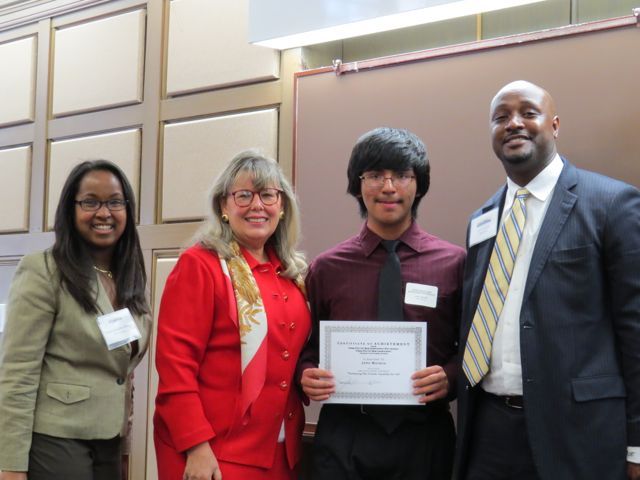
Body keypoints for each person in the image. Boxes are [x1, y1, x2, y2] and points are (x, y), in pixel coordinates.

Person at [456, 80, 640, 480]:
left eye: (528, 113)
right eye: (501, 117)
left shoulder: (612, 203)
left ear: (554, 125)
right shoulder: (482, 220)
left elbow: (635, 329)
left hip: (578, 433)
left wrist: (637, 444)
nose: (513, 124)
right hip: (487, 431)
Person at [298, 127, 465, 480]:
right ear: (358, 185)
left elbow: (474, 350)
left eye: (402, 175)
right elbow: (305, 345)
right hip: (345, 434)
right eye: (375, 175)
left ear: (418, 184)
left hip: (425, 434)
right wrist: (305, 374)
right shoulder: (326, 268)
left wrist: (450, 377)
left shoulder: (455, 263)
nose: (388, 187)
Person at [153, 151, 311, 480]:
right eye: (243, 195)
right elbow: (176, 367)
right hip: (217, 454)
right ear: (223, 207)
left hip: (282, 454)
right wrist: (196, 446)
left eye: (268, 195)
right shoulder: (201, 265)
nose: (257, 205)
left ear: (282, 208)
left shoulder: (292, 275)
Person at [0, 160, 151, 480]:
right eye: (90, 202)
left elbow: (124, 374)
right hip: (55, 438)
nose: (104, 212)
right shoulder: (43, 270)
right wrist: (10, 466)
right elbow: (17, 373)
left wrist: (124, 447)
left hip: (108, 441)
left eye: (114, 201)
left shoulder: (128, 277)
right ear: (71, 209)